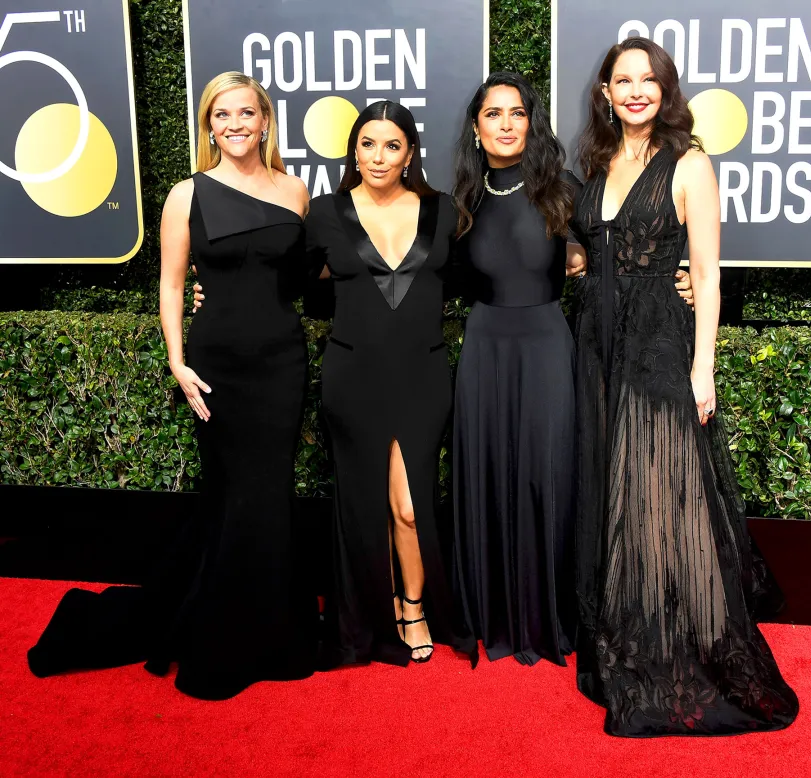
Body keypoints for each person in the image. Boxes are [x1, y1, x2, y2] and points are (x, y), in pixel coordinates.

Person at [28, 72, 319, 700]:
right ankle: (223, 638)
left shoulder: (296, 191)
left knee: (269, 495)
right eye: (222, 114)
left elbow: (298, 281)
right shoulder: (187, 195)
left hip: (282, 362)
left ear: (266, 121)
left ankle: (274, 632)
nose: (235, 124)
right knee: (233, 492)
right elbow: (169, 284)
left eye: (247, 112)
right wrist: (177, 361)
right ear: (209, 125)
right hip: (217, 363)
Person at [570, 38, 799, 736]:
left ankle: (676, 646)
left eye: (649, 80)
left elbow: (705, 275)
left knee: (662, 494)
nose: (636, 91)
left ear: (666, 91)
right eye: (623, 80)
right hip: (596, 344)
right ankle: (623, 631)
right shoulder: (596, 161)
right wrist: (581, 261)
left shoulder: (690, 162)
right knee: (612, 491)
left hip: (658, 345)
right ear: (605, 91)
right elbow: (591, 240)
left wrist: (704, 369)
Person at [197, 101, 475, 666]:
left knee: (409, 506)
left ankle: (413, 605)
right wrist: (211, 295)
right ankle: (364, 614)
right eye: (368, 144)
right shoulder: (323, 213)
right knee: (361, 504)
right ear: (354, 151)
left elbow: (478, 276)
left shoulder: (444, 211)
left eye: (392, 145)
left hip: (422, 373)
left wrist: (574, 255)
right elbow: (282, 280)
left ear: (410, 153)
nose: (379, 156)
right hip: (352, 376)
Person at [451, 72, 695, 665]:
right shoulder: (458, 200)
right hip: (484, 348)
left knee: (549, 474)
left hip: (546, 345)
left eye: (517, 113)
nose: (506, 124)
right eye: (493, 114)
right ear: (476, 127)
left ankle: (551, 614)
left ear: (532, 122)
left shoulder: (564, 190)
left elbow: (624, 248)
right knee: (486, 472)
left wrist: (680, 278)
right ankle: (490, 611)